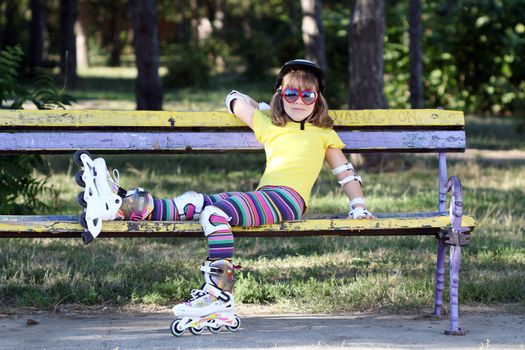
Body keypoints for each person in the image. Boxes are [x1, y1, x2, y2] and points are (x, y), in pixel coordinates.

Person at [75, 59, 373, 336]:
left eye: (308, 96)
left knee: (214, 214)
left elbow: (345, 172)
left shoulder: (323, 133)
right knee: (193, 201)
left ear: (318, 99)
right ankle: (121, 207)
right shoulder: (269, 124)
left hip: (290, 200)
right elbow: (232, 97)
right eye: (291, 94)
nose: (298, 101)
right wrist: (264, 108)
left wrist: (358, 207)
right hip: (265, 196)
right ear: (279, 95)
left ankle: (218, 294)